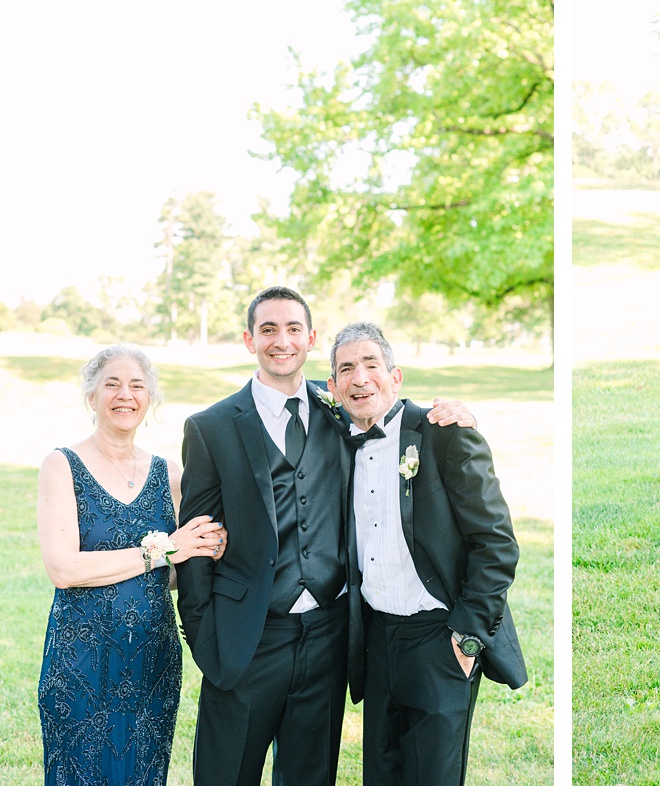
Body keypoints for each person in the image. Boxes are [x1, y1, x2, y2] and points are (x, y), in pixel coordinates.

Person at [179, 286, 477, 785]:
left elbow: (391, 410)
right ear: (249, 340)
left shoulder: (338, 402)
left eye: (294, 329)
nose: (282, 340)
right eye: (268, 329)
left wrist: (460, 418)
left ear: (311, 338)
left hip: (328, 635)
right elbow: (196, 539)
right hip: (247, 637)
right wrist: (206, 641)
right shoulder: (210, 428)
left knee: (310, 777)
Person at [329, 322, 528, 784]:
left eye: (371, 365)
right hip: (377, 641)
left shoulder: (446, 435)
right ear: (334, 387)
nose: (359, 379)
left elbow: (496, 543)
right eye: (346, 369)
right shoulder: (337, 436)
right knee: (381, 773)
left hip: (440, 639)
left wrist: (468, 636)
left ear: (395, 378)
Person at [36, 345, 224, 785]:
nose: (126, 395)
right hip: (79, 663)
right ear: (92, 396)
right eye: (112, 384)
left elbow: (175, 571)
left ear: (150, 398)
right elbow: (63, 568)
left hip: (150, 663)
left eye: (137, 385)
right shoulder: (62, 464)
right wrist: (160, 551)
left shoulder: (170, 475)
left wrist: (204, 550)